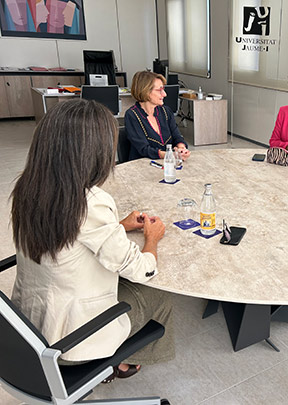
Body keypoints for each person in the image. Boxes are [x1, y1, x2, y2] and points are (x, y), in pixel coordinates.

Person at [10, 99, 175, 382]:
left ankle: (116, 361)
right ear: (94, 153)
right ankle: (120, 362)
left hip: (30, 329)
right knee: (161, 293)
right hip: (72, 343)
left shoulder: (29, 187)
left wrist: (119, 225)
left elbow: (68, 238)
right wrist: (152, 239)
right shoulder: (90, 202)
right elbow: (141, 269)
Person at [125, 70, 191, 161]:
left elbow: (177, 136)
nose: (164, 94)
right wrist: (170, 155)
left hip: (167, 163)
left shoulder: (166, 111)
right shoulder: (132, 115)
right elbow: (143, 149)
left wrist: (181, 149)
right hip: (142, 166)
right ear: (146, 91)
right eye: (159, 90)